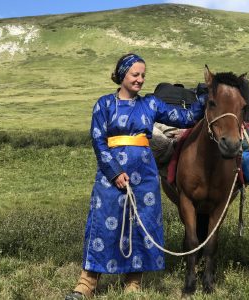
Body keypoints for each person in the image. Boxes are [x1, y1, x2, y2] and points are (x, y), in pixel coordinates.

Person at [65, 53, 205, 299]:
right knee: (102, 222)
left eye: (143, 75)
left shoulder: (150, 104)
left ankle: (133, 283)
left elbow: (186, 118)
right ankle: (87, 283)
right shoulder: (104, 104)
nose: (140, 79)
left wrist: (205, 98)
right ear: (122, 75)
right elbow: (98, 141)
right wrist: (115, 172)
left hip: (145, 177)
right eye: (135, 74)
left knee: (142, 224)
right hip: (110, 176)